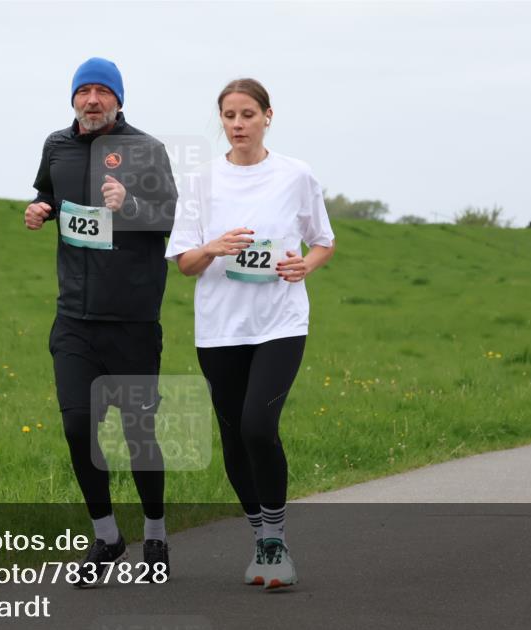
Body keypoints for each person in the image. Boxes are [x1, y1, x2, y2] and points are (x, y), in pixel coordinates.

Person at [164, 78, 335, 590]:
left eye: (247, 114)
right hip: (219, 328)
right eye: (228, 116)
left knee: (260, 427)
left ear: (267, 116)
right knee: (235, 436)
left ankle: (276, 540)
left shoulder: (295, 175)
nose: (237, 124)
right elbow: (185, 265)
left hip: (281, 323)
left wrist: (305, 266)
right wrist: (214, 247)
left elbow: (323, 242)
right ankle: (260, 536)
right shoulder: (200, 181)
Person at [25, 57, 178, 586]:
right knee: (76, 427)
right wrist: (40, 209)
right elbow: (49, 191)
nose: (92, 100)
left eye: (102, 92)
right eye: (83, 92)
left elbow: (173, 220)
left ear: (118, 99)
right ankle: (108, 536)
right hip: (74, 319)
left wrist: (130, 203)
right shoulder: (56, 145)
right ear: (73, 100)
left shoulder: (147, 149)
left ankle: (155, 532)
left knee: (139, 434)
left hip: (132, 320)